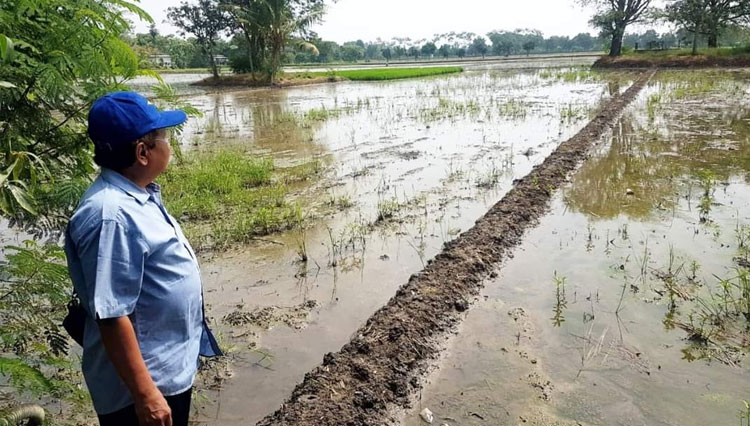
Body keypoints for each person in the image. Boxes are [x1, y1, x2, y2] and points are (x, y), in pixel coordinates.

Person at [64, 92, 222, 426]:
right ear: (142, 152)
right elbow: (111, 314)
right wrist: (146, 395)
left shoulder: (137, 196)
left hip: (165, 370)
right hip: (142, 389)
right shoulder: (112, 215)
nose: (170, 145)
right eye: (164, 138)